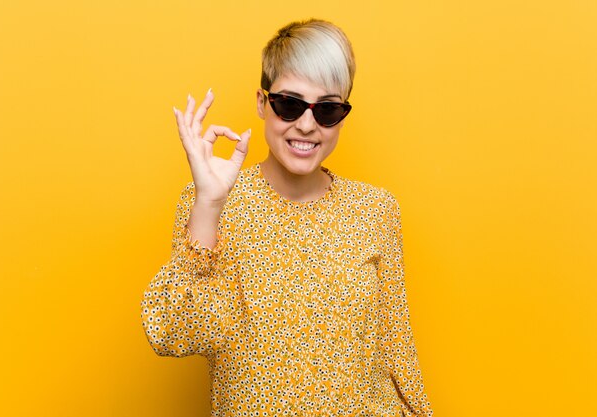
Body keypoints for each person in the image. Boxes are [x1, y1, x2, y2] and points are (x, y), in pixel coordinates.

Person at [141, 19, 434, 417]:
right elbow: (174, 332)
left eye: (327, 109)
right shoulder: (211, 204)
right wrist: (209, 204)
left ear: (343, 116)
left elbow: (397, 351)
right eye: (290, 104)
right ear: (262, 102)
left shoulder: (376, 210)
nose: (307, 124)